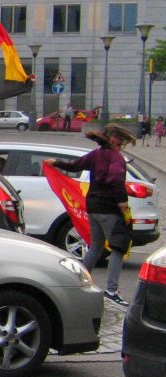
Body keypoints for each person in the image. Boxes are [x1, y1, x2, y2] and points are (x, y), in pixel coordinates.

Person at [45, 124, 136, 306]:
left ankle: (79, 283)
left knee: (96, 246)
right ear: (116, 139)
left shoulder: (96, 155)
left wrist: (56, 163)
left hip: (92, 207)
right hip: (109, 208)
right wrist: (123, 203)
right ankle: (111, 290)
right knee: (118, 248)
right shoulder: (116, 158)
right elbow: (116, 179)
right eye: (122, 143)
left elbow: (75, 166)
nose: (122, 146)